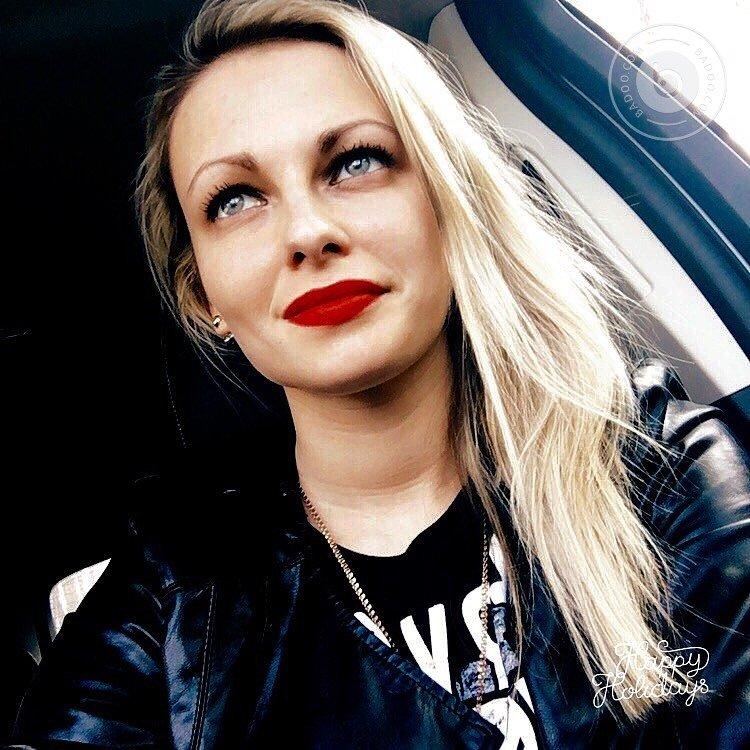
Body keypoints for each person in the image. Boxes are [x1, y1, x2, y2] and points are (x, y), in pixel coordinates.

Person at [10, 0, 750, 747]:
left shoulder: (659, 472)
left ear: (448, 205)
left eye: (355, 162)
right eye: (235, 200)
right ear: (204, 295)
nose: (308, 233)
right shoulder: (172, 593)